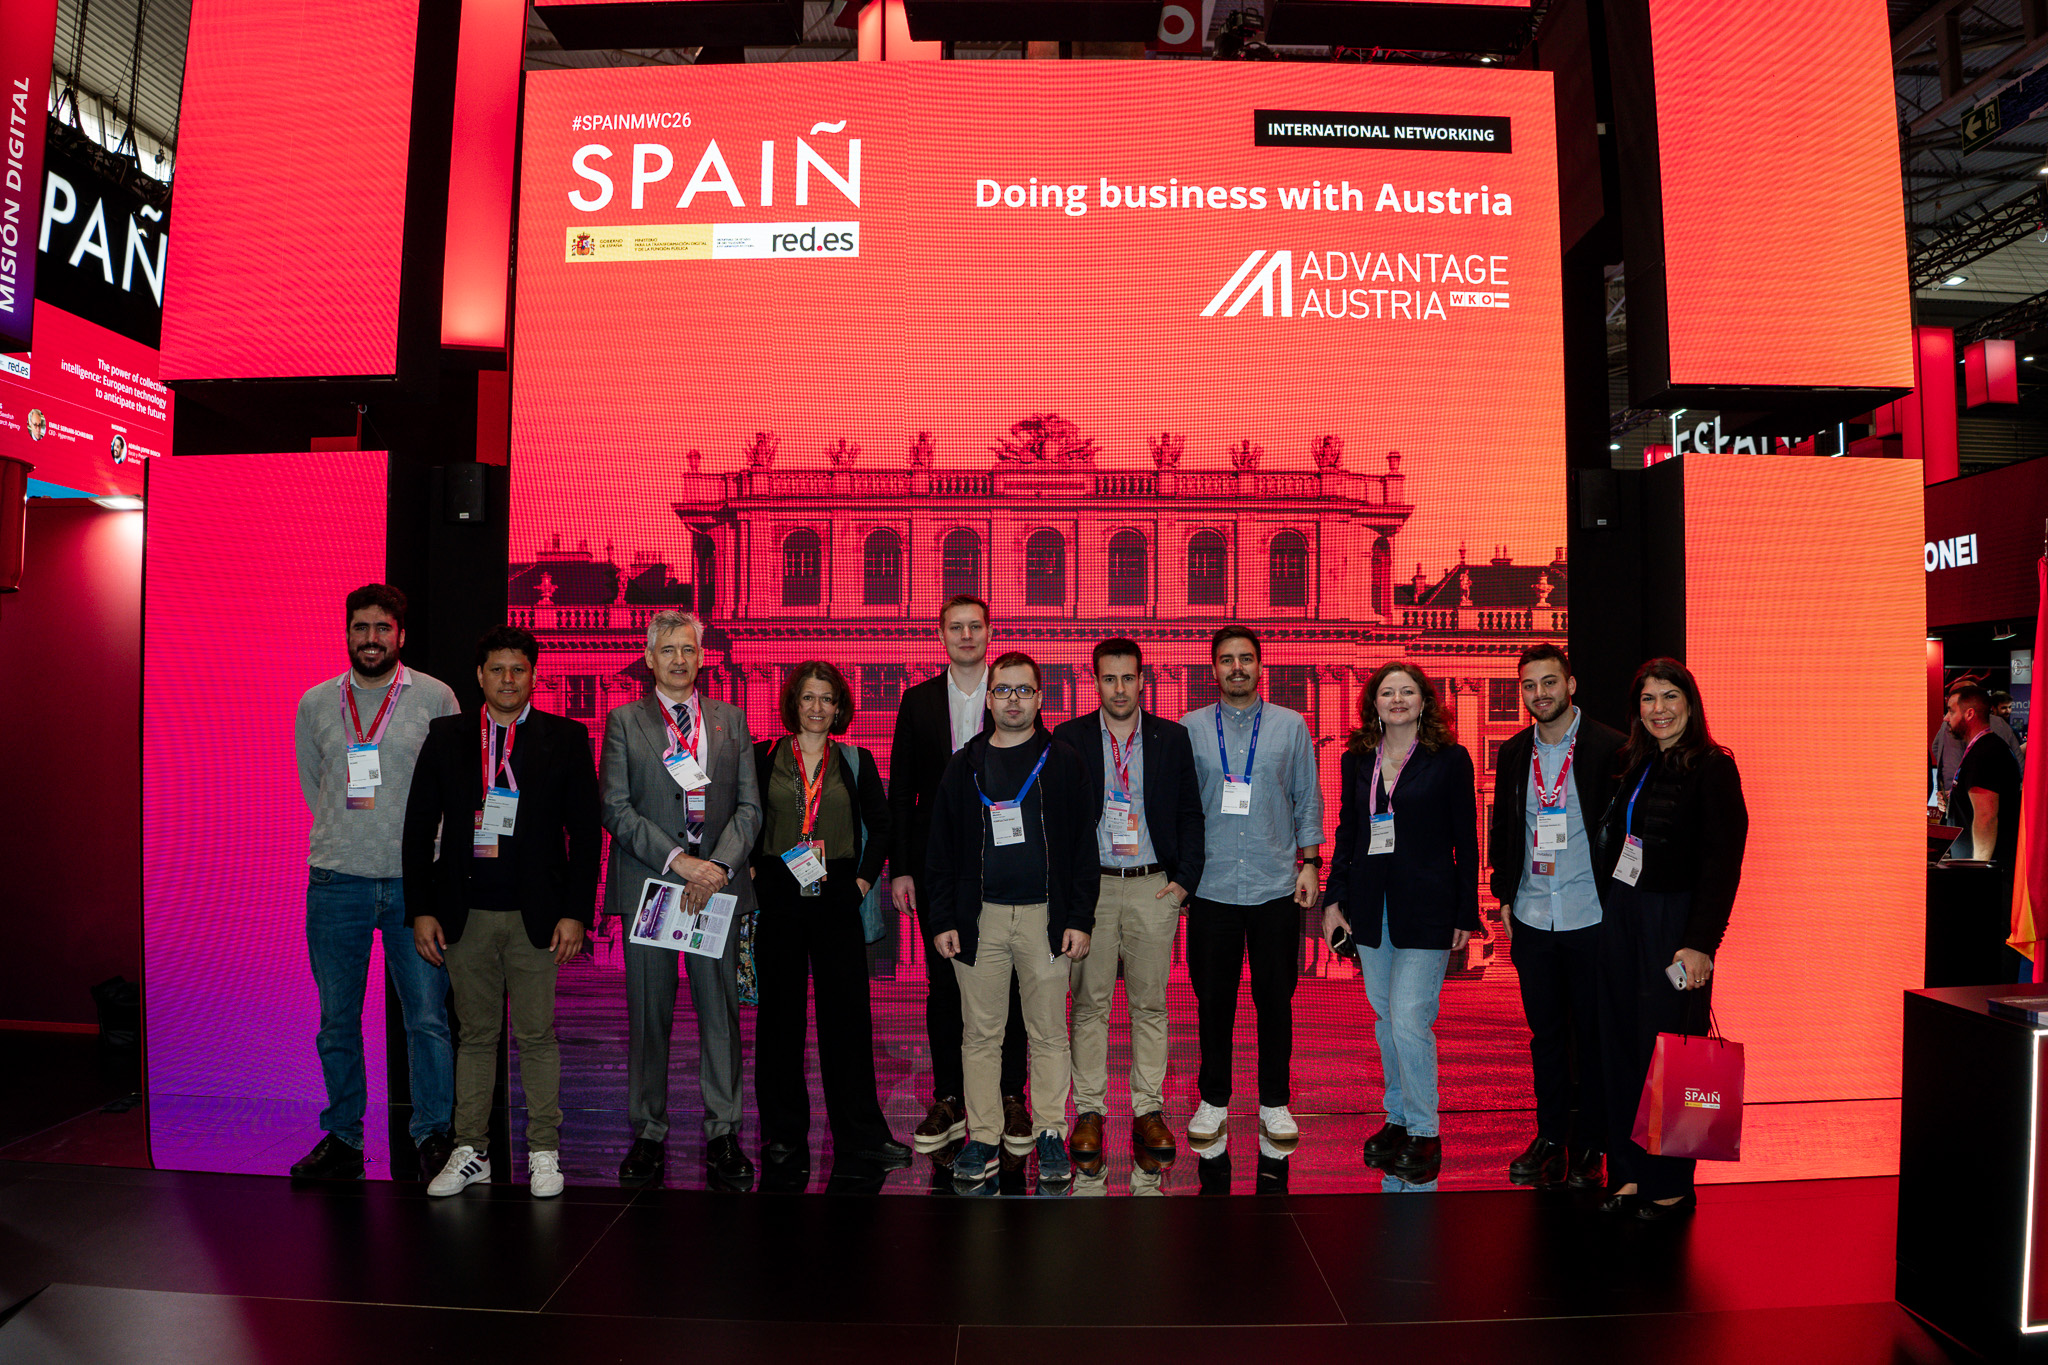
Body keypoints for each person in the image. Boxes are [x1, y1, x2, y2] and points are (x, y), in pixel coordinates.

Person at [401, 626, 600, 1198]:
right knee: (475, 1036)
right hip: (464, 915)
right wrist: (421, 909)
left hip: (538, 920)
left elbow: (587, 834)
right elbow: (418, 827)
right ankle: (471, 1151)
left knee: (537, 1036)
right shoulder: (447, 736)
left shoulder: (565, 737)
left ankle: (543, 1151)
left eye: (518, 669)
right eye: (497, 669)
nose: (508, 680)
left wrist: (576, 913)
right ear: (479, 676)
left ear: (534, 675)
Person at [289, 584, 461, 1181]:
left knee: (428, 1020)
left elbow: (453, 788)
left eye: (382, 628)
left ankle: (433, 1135)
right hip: (337, 882)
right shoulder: (316, 703)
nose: (371, 639)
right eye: (360, 628)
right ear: (347, 634)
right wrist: (350, 836)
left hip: (416, 888)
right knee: (337, 1020)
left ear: (400, 635)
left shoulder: (436, 697)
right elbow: (315, 785)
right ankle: (343, 1137)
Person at [601, 610, 762, 1190]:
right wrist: (679, 861)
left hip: (715, 889)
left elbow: (749, 809)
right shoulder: (624, 721)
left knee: (720, 1016)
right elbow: (615, 807)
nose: (677, 659)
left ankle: (724, 1133)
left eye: (687, 649)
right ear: (649, 659)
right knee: (649, 1017)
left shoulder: (730, 719)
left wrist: (716, 867)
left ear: (701, 657)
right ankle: (647, 1134)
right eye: (666, 650)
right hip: (653, 887)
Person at [925, 652, 1097, 1190]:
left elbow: (1083, 848)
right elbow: (940, 852)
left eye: (1024, 690)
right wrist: (943, 919)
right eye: (1003, 690)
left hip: (1047, 919)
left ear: (1040, 698)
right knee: (980, 1035)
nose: (1013, 700)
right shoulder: (964, 765)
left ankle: (1049, 1132)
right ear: (989, 698)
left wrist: (1079, 918)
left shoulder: (1063, 761)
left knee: (1048, 1034)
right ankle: (982, 1136)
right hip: (981, 922)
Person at [1594, 658, 1749, 1221]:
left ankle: (1671, 1185)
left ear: (1690, 703)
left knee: (1670, 1053)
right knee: (1621, 1046)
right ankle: (1630, 1171)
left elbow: (1722, 864)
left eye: (1669, 697)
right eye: (1647, 699)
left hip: (1675, 925)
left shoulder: (1714, 767)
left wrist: (1701, 943)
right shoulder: (1634, 763)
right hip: (1623, 915)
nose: (1658, 710)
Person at [750, 661, 910, 1183]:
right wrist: (752, 870)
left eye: (827, 699)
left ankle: (861, 1133)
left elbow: (883, 827)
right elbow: (745, 818)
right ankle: (783, 1133)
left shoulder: (856, 760)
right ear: (793, 703)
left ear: (839, 707)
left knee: (848, 1020)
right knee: (780, 1020)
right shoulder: (762, 756)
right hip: (779, 895)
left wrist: (862, 882)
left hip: (837, 894)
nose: (817, 708)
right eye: (808, 698)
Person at [1051, 638, 1206, 1167]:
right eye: (1109, 678)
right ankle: (1090, 1112)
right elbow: (1060, 820)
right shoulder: (1069, 737)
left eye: (1128, 678)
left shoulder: (1172, 737)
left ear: (1143, 680)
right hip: (1091, 889)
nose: (1119, 688)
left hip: (1152, 887)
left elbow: (1190, 814)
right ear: (1095, 681)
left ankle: (1148, 1109)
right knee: (1088, 1006)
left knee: (1150, 1006)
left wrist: (1183, 883)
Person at [1322, 660, 1477, 1187]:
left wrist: (1467, 911)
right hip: (1371, 907)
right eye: (1387, 692)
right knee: (1386, 1019)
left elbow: (1466, 839)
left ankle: (1426, 1131)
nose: (1396, 700)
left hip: (1428, 907)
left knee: (1410, 1016)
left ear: (1424, 701)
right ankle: (1398, 1119)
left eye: (1406, 691)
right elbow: (1347, 832)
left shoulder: (1449, 759)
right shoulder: (1357, 759)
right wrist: (1334, 900)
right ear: (1373, 703)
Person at [887, 596, 1030, 1155]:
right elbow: (902, 790)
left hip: (1004, 862)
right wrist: (901, 868)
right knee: (944, 985)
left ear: (991, 633)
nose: (966, 635)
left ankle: (1011, 1096)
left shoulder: (1012, 694)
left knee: (1011, 983)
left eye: (975, 626)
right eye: (956, 627)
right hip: (937, 867)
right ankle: (948, 1098)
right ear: (942, 635)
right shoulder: (917, 700)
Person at [1180, 625, 1325, 1152]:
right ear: (1213, 669)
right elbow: (1181, 809)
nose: (1236, 667)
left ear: (1261, 666)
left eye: (1245, 658)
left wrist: (1311, 862)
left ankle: (1275, 1103)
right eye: (1227, 659)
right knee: (1212, 1002)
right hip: (1211, 889)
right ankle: (1213, 1101)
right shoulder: (1190, 728)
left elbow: (1307, 797)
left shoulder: (1291, 725)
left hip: (1275, 887)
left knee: (1275, 1002)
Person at [1487, 644, 1625, 1189]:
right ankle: (1550, 1137)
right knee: (1544, 1037)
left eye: (1549, 682)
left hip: (1591, 917)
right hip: (1532, 916)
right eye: (1529, 685)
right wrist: (1503, 895)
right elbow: (1503, 829)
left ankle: (1591, 1143)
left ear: (1571, 684)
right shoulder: (1514, 752)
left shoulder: (1611, 748)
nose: (1539, 694)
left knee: (1592, 1037)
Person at [1946, 682, 2023, 866]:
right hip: (1976, 864)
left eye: (1951, 711)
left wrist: (1978, 871)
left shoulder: (1985, 753)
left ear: (1969, 714)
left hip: (1986, 870)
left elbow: (1986, 817)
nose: (1946, 718)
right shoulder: (1984, 748)